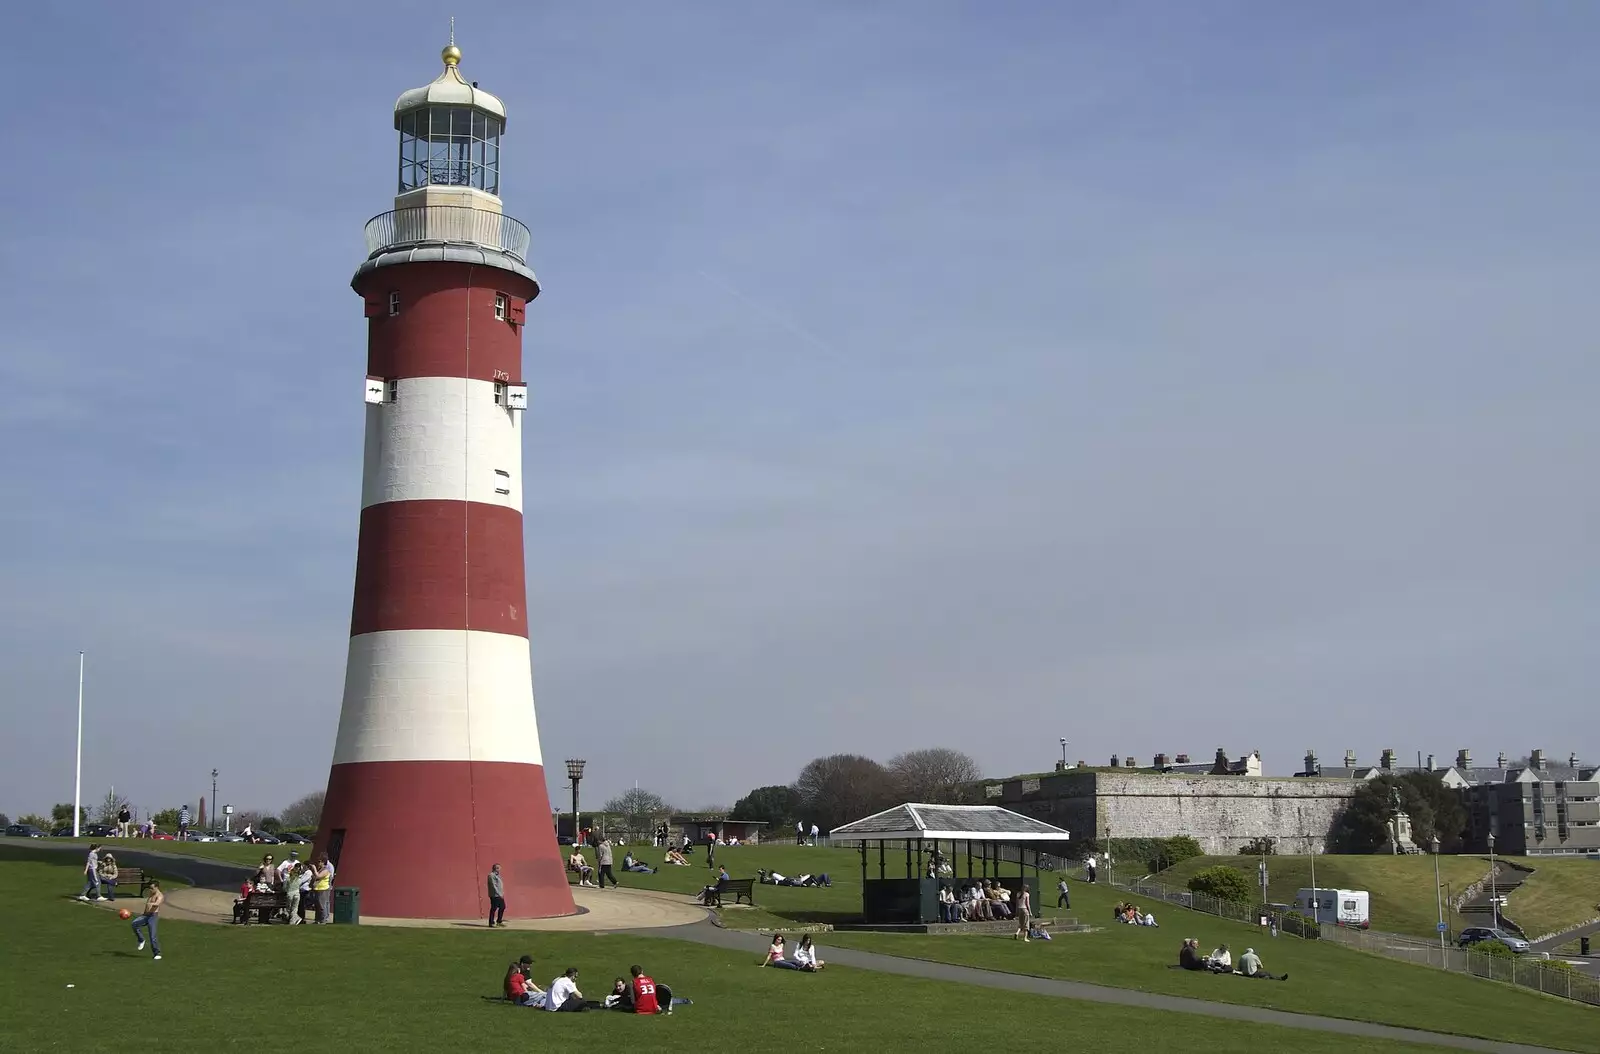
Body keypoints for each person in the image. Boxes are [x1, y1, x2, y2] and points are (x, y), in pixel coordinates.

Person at [131, 879, 164, 960]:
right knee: (134, 924)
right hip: (146, 915)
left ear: (157, 887)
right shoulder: (151, 893)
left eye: (152, 888)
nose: (150, 889)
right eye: (150, 888)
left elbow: (157, 904)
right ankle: (141, 940)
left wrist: (151, 904)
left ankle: (157, 953)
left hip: (152, 916)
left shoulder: (160, 896)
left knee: (152, 936)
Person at [311, 853, 334, 923]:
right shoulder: (320, 869)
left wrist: (314, 869)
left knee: (322, 906)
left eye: (319, 862)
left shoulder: (326, 870)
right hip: (318, 889)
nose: (318, 863)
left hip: (323, 889)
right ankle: (317, 920)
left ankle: (323, 920)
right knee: (317, 906)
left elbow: (318, 876)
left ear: (323, 862)